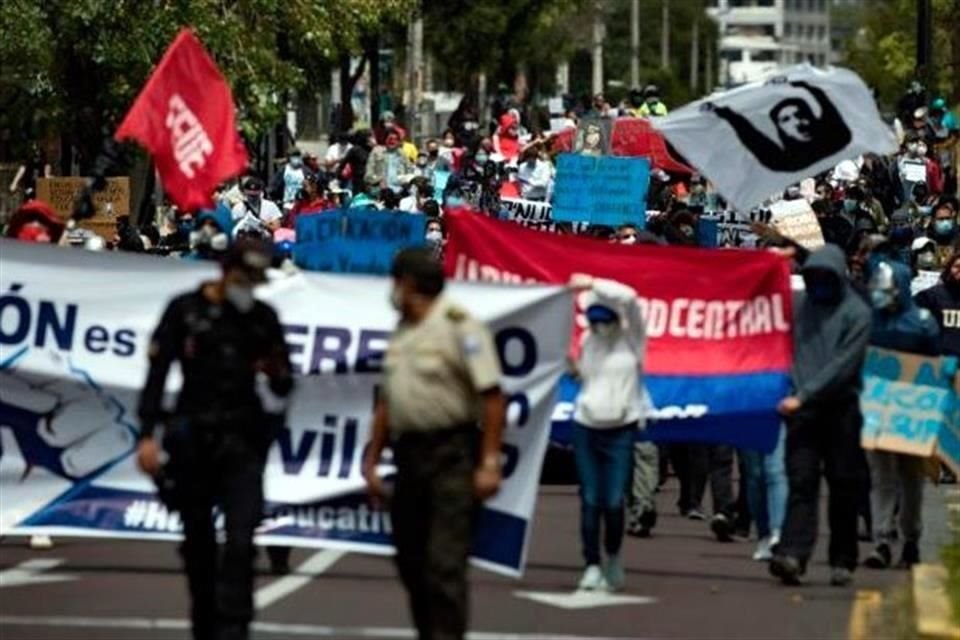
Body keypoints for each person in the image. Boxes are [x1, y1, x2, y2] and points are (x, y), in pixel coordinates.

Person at [136, 239, 294, 640]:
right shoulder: (185, 311)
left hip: (243, 441)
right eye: (245, 278)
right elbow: (157, 375)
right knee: (199, 544)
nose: (249, 287)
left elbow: (283, 385)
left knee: (241, 541)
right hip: (193, 440)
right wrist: (147, 435)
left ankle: (235, 629)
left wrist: (275, 369)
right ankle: (204, 624)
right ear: (226, 271)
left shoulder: (261, 318)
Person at [363, 248, 505, 640]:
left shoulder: (461, 326)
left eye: (395, 282)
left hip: (452, 457)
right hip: (409, 459)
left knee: (445, 565)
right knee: (410, 561)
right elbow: (389, 401)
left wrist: (489, 462)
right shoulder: (403, 330)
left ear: (408, 283)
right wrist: (372, 461)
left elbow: (492, 397)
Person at [770, 244, 872, 587]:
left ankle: (843, 559)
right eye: (812, 278)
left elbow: (843, 365)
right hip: (802, 411)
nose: (818, 285)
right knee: (801, 482)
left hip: (840, 409)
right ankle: (793, 554)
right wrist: (769, 264)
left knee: (844, 484)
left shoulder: (857, 314)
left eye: (825, 278)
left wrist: (804, 395)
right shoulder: (800, 306)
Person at [567, 273, 648, 591]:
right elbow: (585, 378)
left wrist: (591, 284)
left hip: (621, 429)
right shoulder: (589, 341)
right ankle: (590, 564)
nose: (600, 327)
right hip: (586, 425)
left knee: (613, 500)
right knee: (589, 500)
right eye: (594, 320)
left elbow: (629, 296)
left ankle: (612, 557)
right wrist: (569, 367)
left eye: (605, 320)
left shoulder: (633, 339)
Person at [862, 260, 939, 570]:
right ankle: (881, 538)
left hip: (913, 407)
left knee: (910, 480)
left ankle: (910, 539)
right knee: (881, 477)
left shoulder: (922, 323)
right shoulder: (871, 321)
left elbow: (933, 368)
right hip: (878, 404)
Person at [366, 128, 415, 195]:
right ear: (385, 139)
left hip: (400, 191)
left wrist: (406, 181)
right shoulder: (376, 151)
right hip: (380, 191)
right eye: (390, 139)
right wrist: (378, 181)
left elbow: (410, 171)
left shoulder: (402, 154)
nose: (392, 141)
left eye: (395, 139)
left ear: (399, 141)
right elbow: (368, 175)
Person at [268, 148, 309, 213]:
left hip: (302, 205)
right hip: (287, 205)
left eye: (297, 155)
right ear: (289, 157)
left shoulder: (305, 170)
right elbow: (274, 185)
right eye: (293, 156)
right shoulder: (283, 170)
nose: (295, 158)